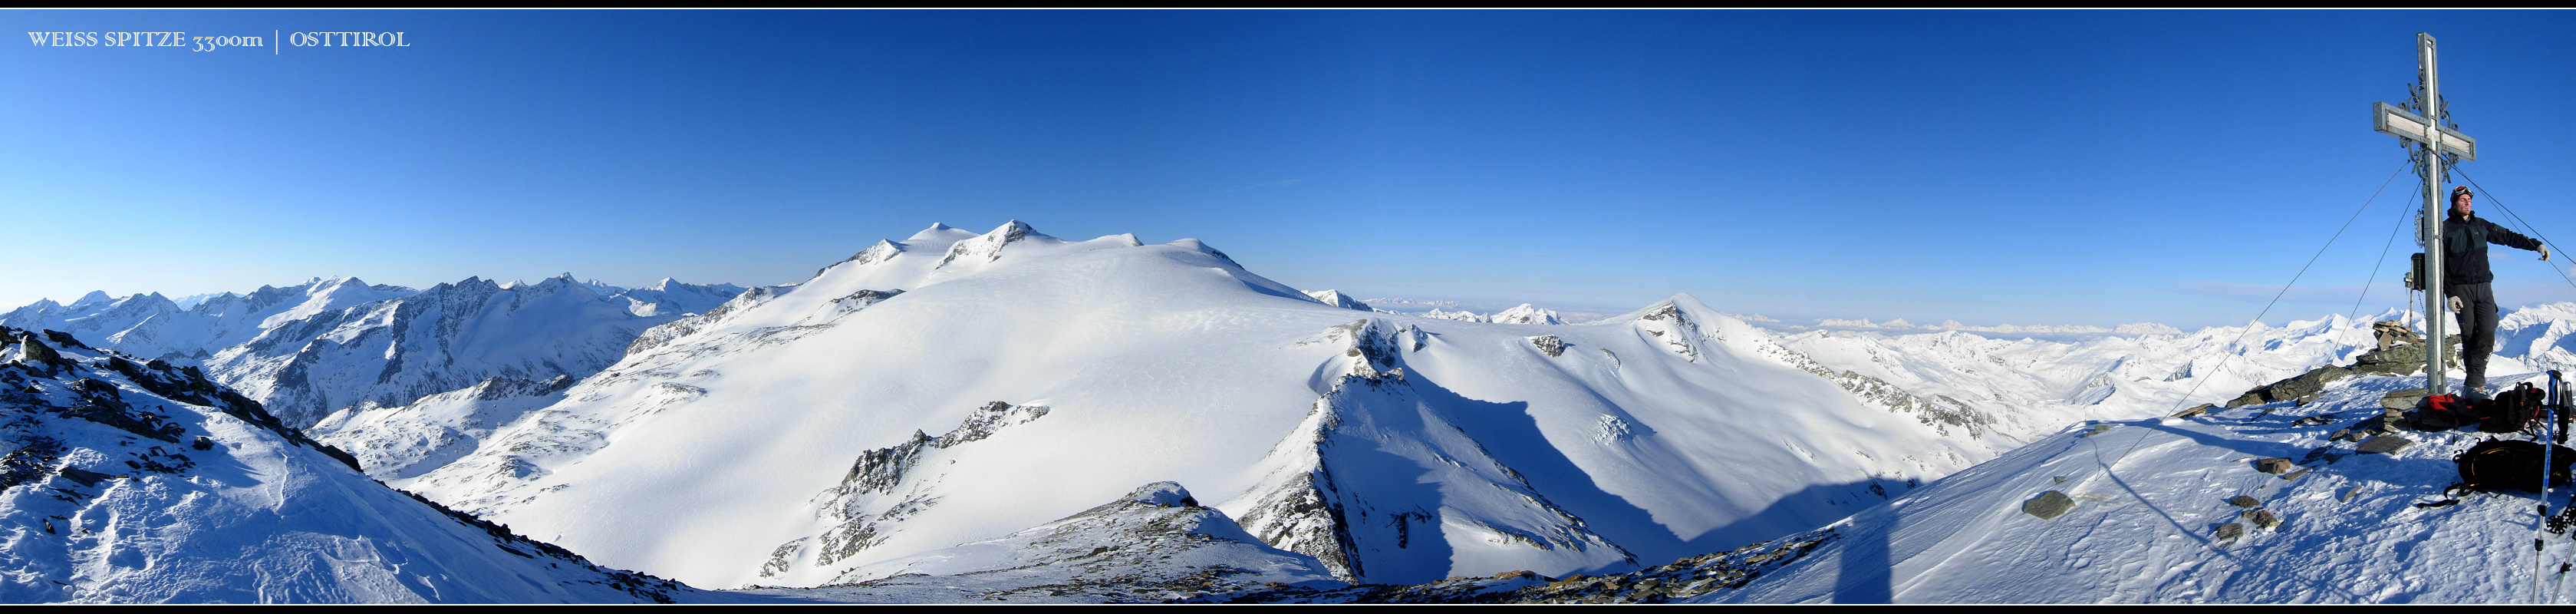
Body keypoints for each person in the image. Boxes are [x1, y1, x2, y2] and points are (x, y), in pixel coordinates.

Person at [2443, 185, 2551, 397]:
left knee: (2488, 334)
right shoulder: (2445, 229)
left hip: (2484, 287)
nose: (2467, 203)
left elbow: (2509, 237)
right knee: (2469, 337)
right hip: (2461, 289)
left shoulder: (2481, 225)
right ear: (2454, 203)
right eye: (2463, 200)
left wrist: (2536, 245)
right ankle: (2473, 386)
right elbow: (2439, 265)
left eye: (2469, 200)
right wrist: (2450, 293)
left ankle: (2474, 383)